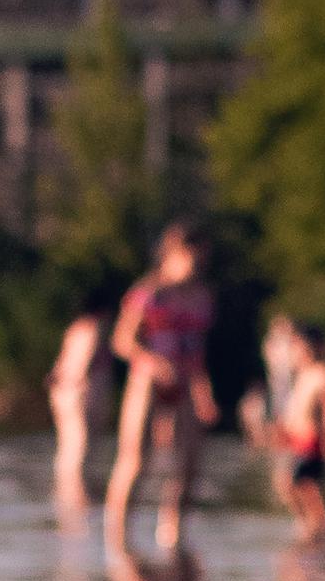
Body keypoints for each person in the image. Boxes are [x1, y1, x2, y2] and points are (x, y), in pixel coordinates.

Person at [101, 223, 221, 554]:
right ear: (171, 255)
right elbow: (122, 341)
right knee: (134, 459)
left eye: (201, 259)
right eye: (190, 257)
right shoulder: (149, 293)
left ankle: (173, 536)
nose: (196, 265)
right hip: (148, 381)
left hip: (185, 382)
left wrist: (203, 393)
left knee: (190, 462)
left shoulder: (202, 298)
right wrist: (154, 363)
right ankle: (118, 537)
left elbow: (198, 353)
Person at [268, 323, 325, 540]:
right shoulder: (301, 375)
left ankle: (319, 527)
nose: (294, 352)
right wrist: (282, 430)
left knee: (305, 487)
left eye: (298, 347)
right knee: (293, 486)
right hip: (296, 439)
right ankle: (309, 524)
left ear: (312, 348)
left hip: (312, 440)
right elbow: (295, 408)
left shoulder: (322, 373)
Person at [46, 300, 112, 509]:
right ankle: (79, 495)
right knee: (82, 444)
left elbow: (60, 364)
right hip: (82, 390)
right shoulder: (93, 328)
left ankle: (65, 492)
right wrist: (80, 381)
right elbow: (87, 359)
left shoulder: (73, 329)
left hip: (62, 390)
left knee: (67, 444)